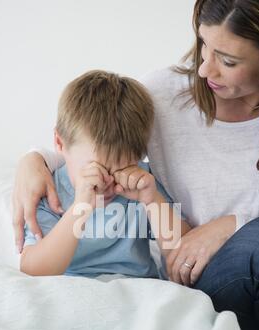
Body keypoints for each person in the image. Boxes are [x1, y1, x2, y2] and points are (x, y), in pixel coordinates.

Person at [13, 0, 259, 330]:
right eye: (202, 47)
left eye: (227, 61)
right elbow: (34, 268)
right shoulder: (61, 196)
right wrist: (35, 161)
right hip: (138, 291)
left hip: (170, 289)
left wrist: (155, 199)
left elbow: (173, 248)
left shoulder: (139, 189)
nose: (203, 70)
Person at [20, 70, 189, 278]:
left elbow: (184, 255)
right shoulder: (50, 191)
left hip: (138, 288)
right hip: (73, 289)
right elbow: (33, 270)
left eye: (121, 170)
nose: (107, 182)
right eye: (95, 169)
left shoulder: (143, 184)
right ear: (59, 143)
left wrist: (152, 201)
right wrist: (79, 207)